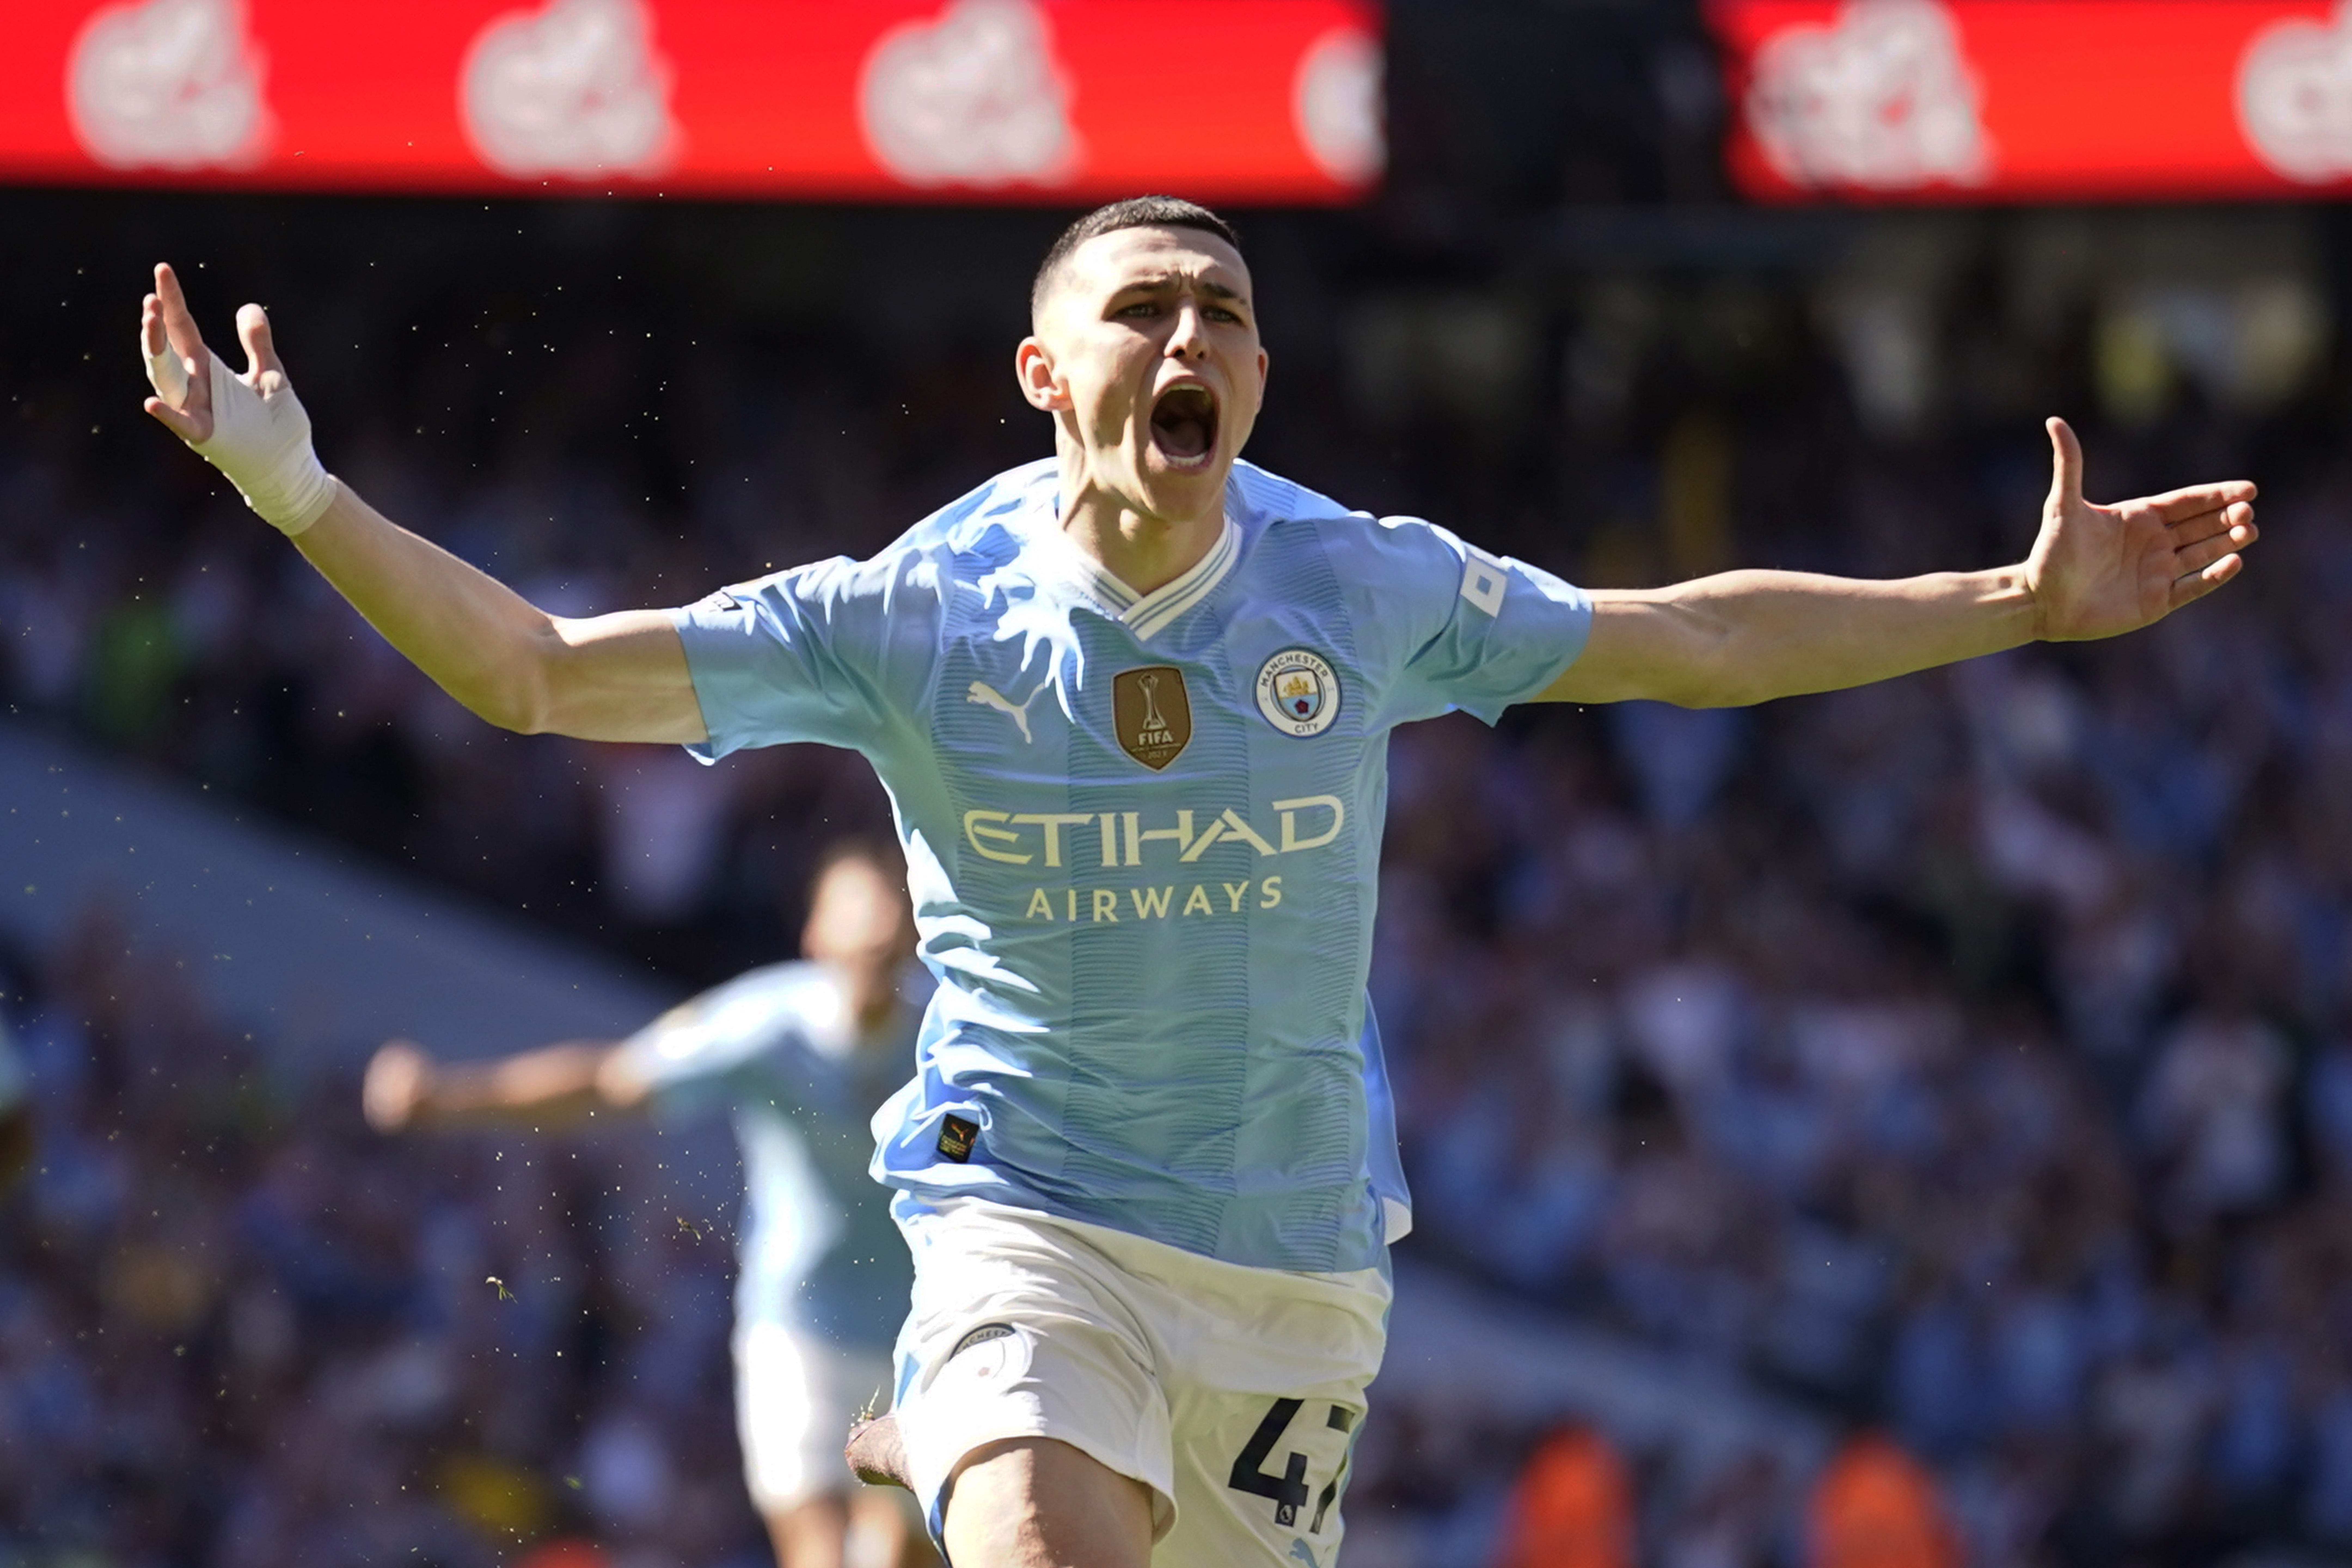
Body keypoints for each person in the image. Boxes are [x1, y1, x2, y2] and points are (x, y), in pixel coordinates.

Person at [136, 194, 2259, 1568]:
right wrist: (293, 482)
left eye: (1225, 314)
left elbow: (1692, 638)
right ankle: (962, 1442)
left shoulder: (1362, 581)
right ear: (1049, 377)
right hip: (1025, 1214)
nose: (1192, 336)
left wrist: (2016, 600)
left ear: (1255, 382)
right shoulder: (914, 614)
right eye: (1140, 307)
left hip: (1292, 1260)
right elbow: (528, 673)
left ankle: (933, 1463)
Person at [361, 842, 935, 1568]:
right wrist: (450, 1099)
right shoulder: (766, 1023)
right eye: (859, 910)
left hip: (917, 1332)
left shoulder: (946, 1035)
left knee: (901, 1556)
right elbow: (613, 1081)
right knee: (817, 1552)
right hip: (798, 1329)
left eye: (893, 914)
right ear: (816, 931)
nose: (878, 929)